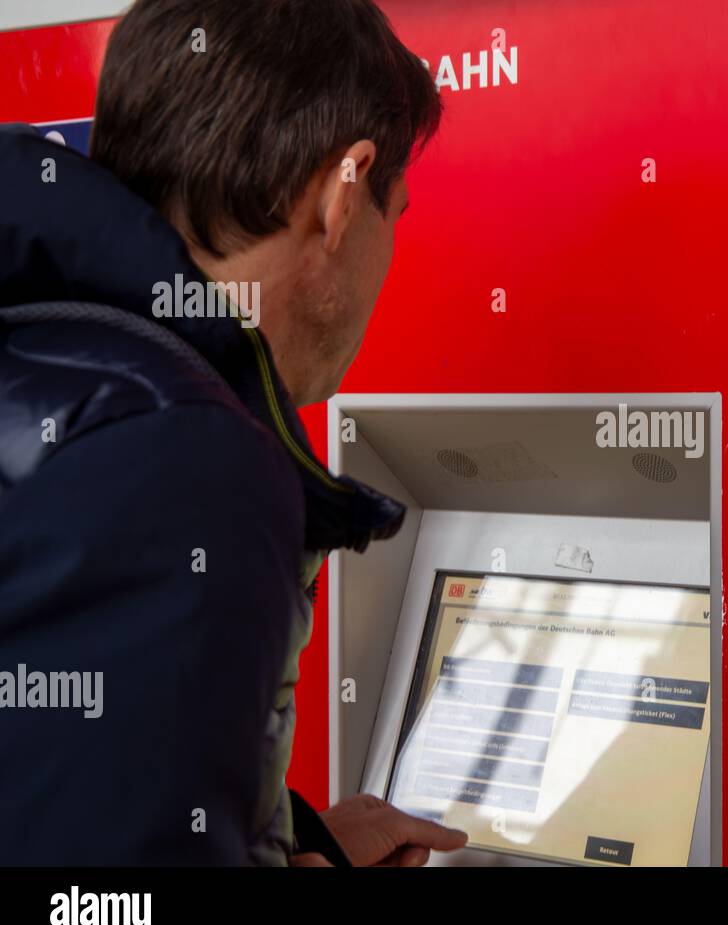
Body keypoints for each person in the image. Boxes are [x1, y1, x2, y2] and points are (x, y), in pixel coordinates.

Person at [0, 0, 466, 866]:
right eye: (392, 214)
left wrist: (285, 836)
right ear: (344, 190)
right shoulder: (188, 456)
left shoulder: (45, 346)